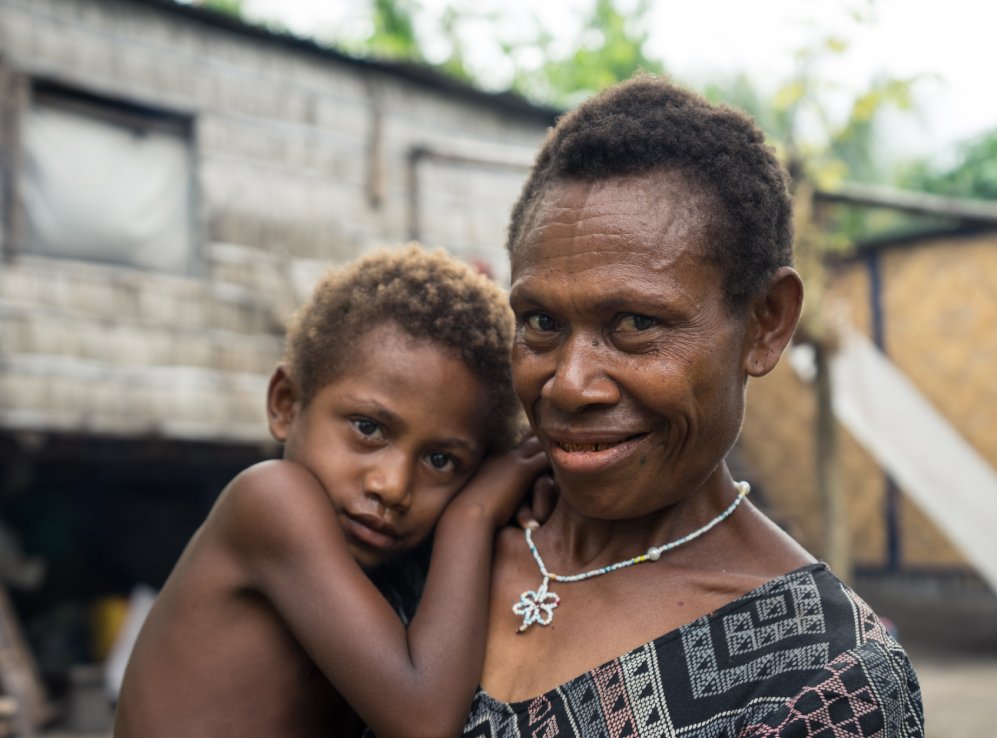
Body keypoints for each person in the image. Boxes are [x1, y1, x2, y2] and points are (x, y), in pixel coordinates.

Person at [462, 75, 924, 737]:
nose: (568, 384)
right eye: (539, 321)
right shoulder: (429, 531)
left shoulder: (826, 682)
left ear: (765, 322)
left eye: (636, 323)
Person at [113, 245, 550, 738]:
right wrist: (472, 512)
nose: (392, 486)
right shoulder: (271, 499)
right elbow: (423, 721)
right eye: (368, 427)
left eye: (441, 460)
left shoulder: (387, 569)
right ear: (286, 403)